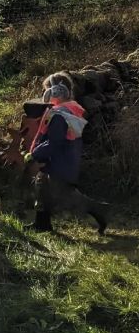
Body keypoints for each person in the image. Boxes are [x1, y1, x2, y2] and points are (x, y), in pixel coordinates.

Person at [24, 73, 109, 234]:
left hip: (60, 163)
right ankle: (42, 224)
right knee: (42, 189)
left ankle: (99, 210)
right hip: (61, 161)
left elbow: (55, 142)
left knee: (66, 196)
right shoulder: (68, 110)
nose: (46, 93)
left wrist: (35, 153)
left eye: (48, 89)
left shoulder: (61, 115)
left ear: (56, 91)